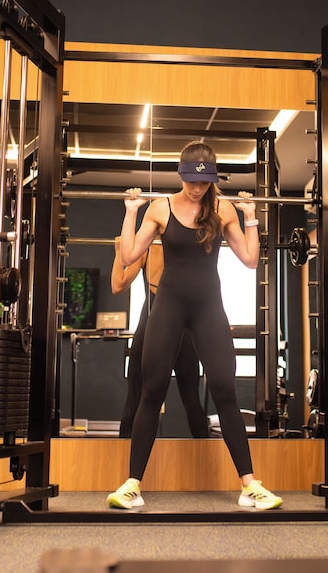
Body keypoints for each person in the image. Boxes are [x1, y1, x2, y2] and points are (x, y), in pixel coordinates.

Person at [107, 140, 283, 510]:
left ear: (212, 180)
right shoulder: (161, 207)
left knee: (225, 390)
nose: (197, 188)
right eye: (191, 181)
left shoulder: (223, 209)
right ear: (181, 175)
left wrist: (251, 217)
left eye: (204, 182)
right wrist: (130, 213)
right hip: (168, 307)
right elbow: (129, 254)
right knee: (152, 390)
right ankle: (132, 485)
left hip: (208, 309)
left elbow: (251, 259)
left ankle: (249, 485)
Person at [111, 238, 209, 438]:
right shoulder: (153, 247)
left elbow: (117, 285)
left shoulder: (150, 246)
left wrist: (119, 252)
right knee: (139, 400)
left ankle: (127, 459)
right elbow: (117, 285)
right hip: (167, 327)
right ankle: (127, 451)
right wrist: (120, 252)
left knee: (186, 401)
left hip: (165, 328)